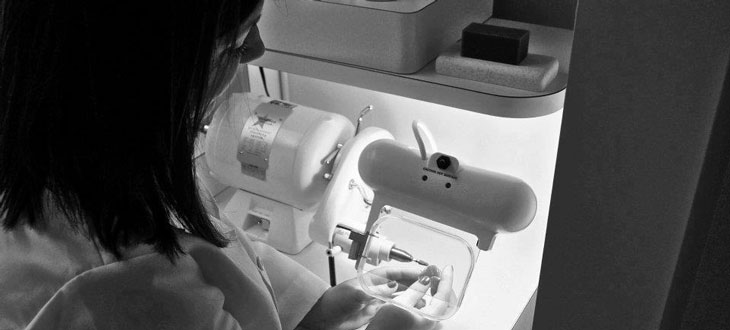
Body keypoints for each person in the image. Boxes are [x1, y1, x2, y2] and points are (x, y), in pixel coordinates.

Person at [0, 0, 452, 329]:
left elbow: (221, 260)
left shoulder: (101, 169)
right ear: (139, 69)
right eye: (232, 43)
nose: (257, 48)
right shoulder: (126, 286)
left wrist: (329, 309)